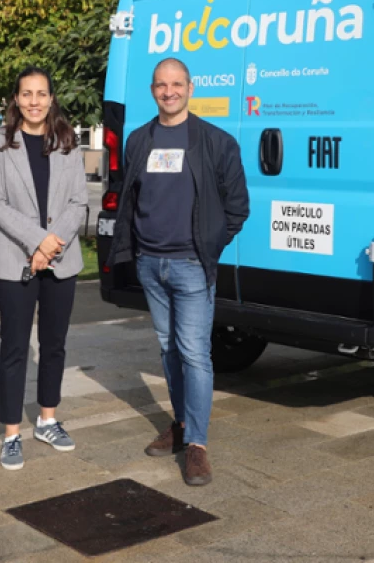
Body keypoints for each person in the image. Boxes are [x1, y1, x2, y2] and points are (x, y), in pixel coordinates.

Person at [108, 57, 249, 486]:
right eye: (160, 85)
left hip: (191, 265)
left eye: (176, 84)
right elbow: (128, 197)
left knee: (193, 352)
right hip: (151, 264)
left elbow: (237, 207)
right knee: (169, 348)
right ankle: (182, 425)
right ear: (152, 90)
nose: (168, 92)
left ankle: (198, 446)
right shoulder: (139, 141)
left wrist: (207, 245)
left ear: (190, 87)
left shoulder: (215, 142)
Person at [0, 66, 87, 470]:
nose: (34, 101)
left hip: (61, 259)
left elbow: (78, 202)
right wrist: (37, 241)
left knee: (54, 344)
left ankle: (47, 419)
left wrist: (52, 243)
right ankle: (11, 433)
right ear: (16, 98)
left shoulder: (67, 141)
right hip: (15, 260)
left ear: (51, 98)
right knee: (14, 347)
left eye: (41, 94)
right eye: (27, 94)